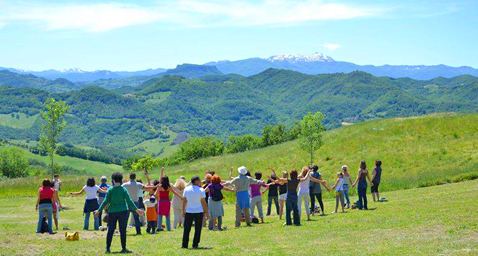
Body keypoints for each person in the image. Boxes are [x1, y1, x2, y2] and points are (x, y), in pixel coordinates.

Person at [95, 172, 143, 254]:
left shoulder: (110, 190)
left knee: (110, 230)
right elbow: (129, 201)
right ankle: (123, 248)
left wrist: (98, 210)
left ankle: (108, 248)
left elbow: (105, 201)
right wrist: (136, 210)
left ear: (113, 180)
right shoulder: (123, 189)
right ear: (121, 180)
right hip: (123, 211)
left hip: (112, 212)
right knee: (123, 230)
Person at [182, 175, 209, 249]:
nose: (200, 182)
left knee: (187, 228)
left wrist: (183, 211)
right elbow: (203, 202)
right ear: (196, 181)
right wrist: (207, 212)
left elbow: (184, 201)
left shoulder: (186, 189)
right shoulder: (201, 190)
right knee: (198, 229)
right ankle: (195, 244)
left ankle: (184, 244)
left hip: (189, 211)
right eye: (199, 180)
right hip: (198, 211)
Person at [155, 167, 184, 231]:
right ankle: (168, 228)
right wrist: (181, 197)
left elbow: (156, 194)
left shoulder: (160, 186)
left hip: (161, 201)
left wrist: (162, 171)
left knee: (160, 214)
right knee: (167, 215)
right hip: (167, 201)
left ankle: (159, 227)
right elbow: (175, 192)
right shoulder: (169, 186)